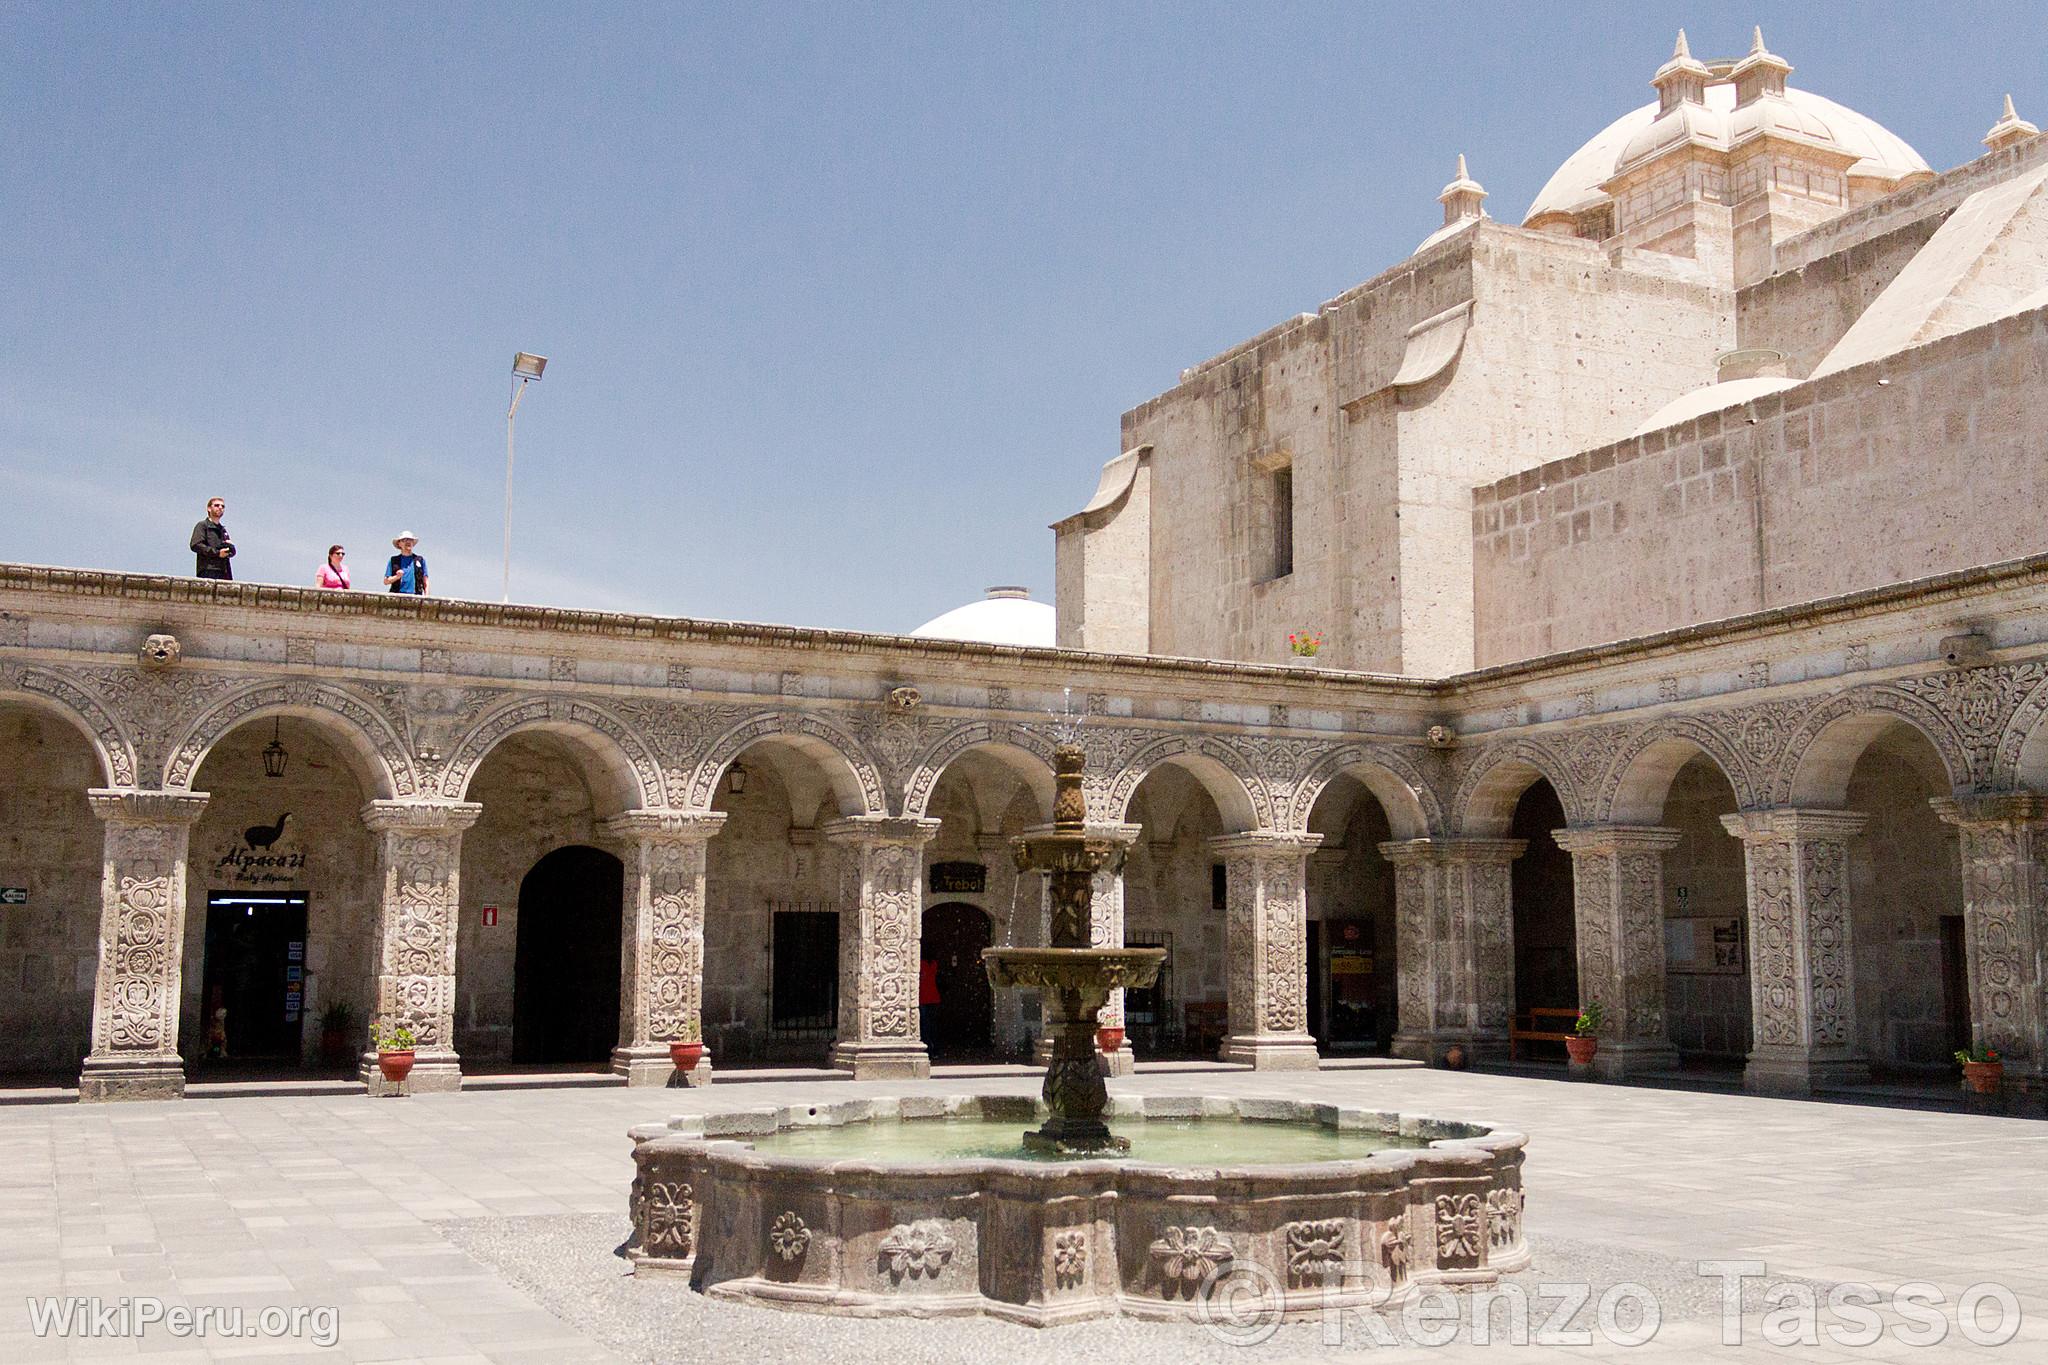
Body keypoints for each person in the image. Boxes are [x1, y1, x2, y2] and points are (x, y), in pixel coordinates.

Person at [189, 497, 234, 580]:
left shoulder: (223, 530)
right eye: (217, 505)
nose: (220, 508)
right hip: (208, 569)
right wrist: (217, 553)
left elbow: (230, 552)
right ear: (209, 508)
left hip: (224, 571)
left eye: (222, 506)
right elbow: (196, 545)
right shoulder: (202, 525)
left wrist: (230, 549)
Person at [919, 956, 940, 1041]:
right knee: (931, 1023)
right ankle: (932, 1044)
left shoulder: (922, 964)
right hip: (932, 997)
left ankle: (929, 1043)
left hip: (925, 998)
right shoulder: (934, 964)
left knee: (925, 1023)